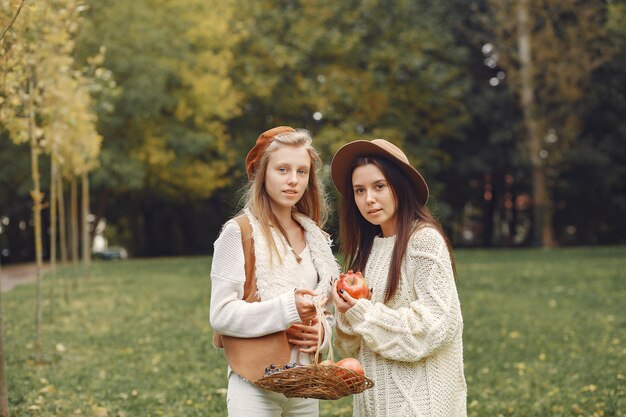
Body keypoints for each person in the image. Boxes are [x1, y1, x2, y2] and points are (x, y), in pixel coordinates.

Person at [330, 139, 467, 417]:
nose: (368, 199)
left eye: (379, 186)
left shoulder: (424, 241)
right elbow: (351, 346)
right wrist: (345, 313)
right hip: (373, 405)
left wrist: (362, 313)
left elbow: (435, 326)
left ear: (399, 185)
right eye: (359, 190)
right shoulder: (365, 251)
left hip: (420, 405)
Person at [209, 126, 338, 417]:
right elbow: (220, 315)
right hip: (256, 382)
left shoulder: (317, 237)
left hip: (305, 383)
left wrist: (323, 333)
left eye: (302, 171)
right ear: (261, 173)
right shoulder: (239, 232)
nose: (293, 180)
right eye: (282, 169)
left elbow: (324, 310)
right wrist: (287, 307)